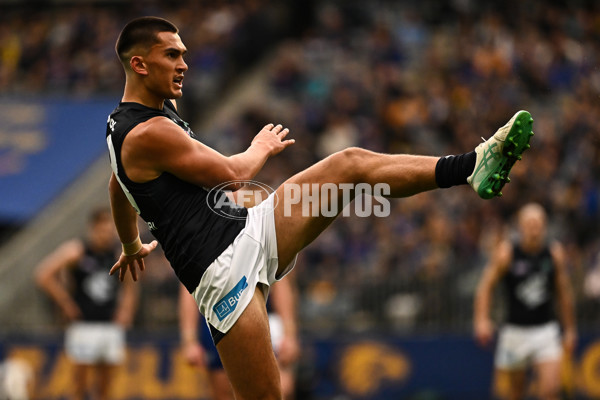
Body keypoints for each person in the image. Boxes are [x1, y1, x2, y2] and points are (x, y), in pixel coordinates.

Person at [106, 16, 533, 399]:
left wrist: (129, 243)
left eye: (184, 53)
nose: (184, 64)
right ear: (140, 64)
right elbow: (231, 173)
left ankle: (471, 166)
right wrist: (261, 145)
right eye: (172, 54)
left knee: (350, 164)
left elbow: (117, 183)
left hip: (249, 227)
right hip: (223, 272)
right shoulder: (147, 132)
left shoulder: (133, 126)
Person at [473, 203, 577, 400]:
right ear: (520, 227)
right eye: (529, 224)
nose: (534, 229)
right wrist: (481, 320)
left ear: (545, 226)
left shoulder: (554, 254)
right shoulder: (507, 253)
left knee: (550, 390)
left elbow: (564, 293)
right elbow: (485, 286)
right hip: (514, 331)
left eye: (538, 224)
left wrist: (570, 328)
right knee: (514, 393)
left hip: (546, 329)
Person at [35, 207, 138, 400]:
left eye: (110, 231)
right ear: (93, 228)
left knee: (106, 386)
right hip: (83, 324)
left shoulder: (117, 253)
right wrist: (65, 302)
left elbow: (131, 285)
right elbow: (43, 274)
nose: (106, 235)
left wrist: (126, 310)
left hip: (109, 324)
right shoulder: (78, 251)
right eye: (103, 230)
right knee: (79, 385)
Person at [179, 274, 299, 400]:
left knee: (278, 389)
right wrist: (189, 340)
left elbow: (280, 280)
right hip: (218, 317)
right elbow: (188, 285)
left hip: (259, 317)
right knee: (224, 391)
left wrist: (289, 333)